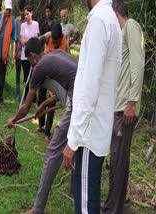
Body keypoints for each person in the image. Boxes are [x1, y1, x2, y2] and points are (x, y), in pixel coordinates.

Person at [63, 0, 122, 213]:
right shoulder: (111, 20)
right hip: (97, 127)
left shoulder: (99, 21)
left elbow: (90, 86)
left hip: (88, 133)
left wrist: (74, 138)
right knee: (91, 200)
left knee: (86, 206)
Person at [6, 37, 77, 214]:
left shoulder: (39, 67)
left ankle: (37, 210)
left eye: (28, 60)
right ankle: (76, 187)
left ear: (32, 56)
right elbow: (66, 85)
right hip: (86, 96)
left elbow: (26, 106)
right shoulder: (56, 54)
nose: (30, 64)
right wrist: (44, 104)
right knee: (79, 144)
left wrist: (13, 120)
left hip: (79, 103)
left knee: (53, 153)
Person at [102, 1, 145, 213]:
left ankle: (112, 209)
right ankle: (114, 205)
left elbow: (138, 63)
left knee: (118, 162)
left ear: (115, 12)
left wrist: (132, 101)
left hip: (125, 108)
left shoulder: (131, 26)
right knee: (117, 161)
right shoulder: (120, 36)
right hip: (117, 107)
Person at [37, 24, 68, 143]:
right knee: (41, 99)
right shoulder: (49, 35)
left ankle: (47, 132)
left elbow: (67, 62)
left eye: (57, 42)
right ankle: (40, 125)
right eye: (53, 41)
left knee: (51, 105)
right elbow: (38, 41)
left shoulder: (65, 43)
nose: (54, 44)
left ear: (61, 37)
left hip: (56, 76)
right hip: (45, 71)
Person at [0, 0, 17, 106]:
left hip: (4, 55)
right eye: (6, 9)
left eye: (9, 9)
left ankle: (0, 98)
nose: (7, 11)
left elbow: (14, 40)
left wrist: (12, 57)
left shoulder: (13, 22)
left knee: (2, 77)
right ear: (4, 7)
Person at [14, 4, 25, 102]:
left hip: (26, 53)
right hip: (18, 52)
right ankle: (17, 94)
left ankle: (26, 95)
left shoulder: (28, 21)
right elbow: (14, 37)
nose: (22, 13)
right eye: (21, 11)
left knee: (26, 75)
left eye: (23, 11)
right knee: (18, 74)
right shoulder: (16, 21)